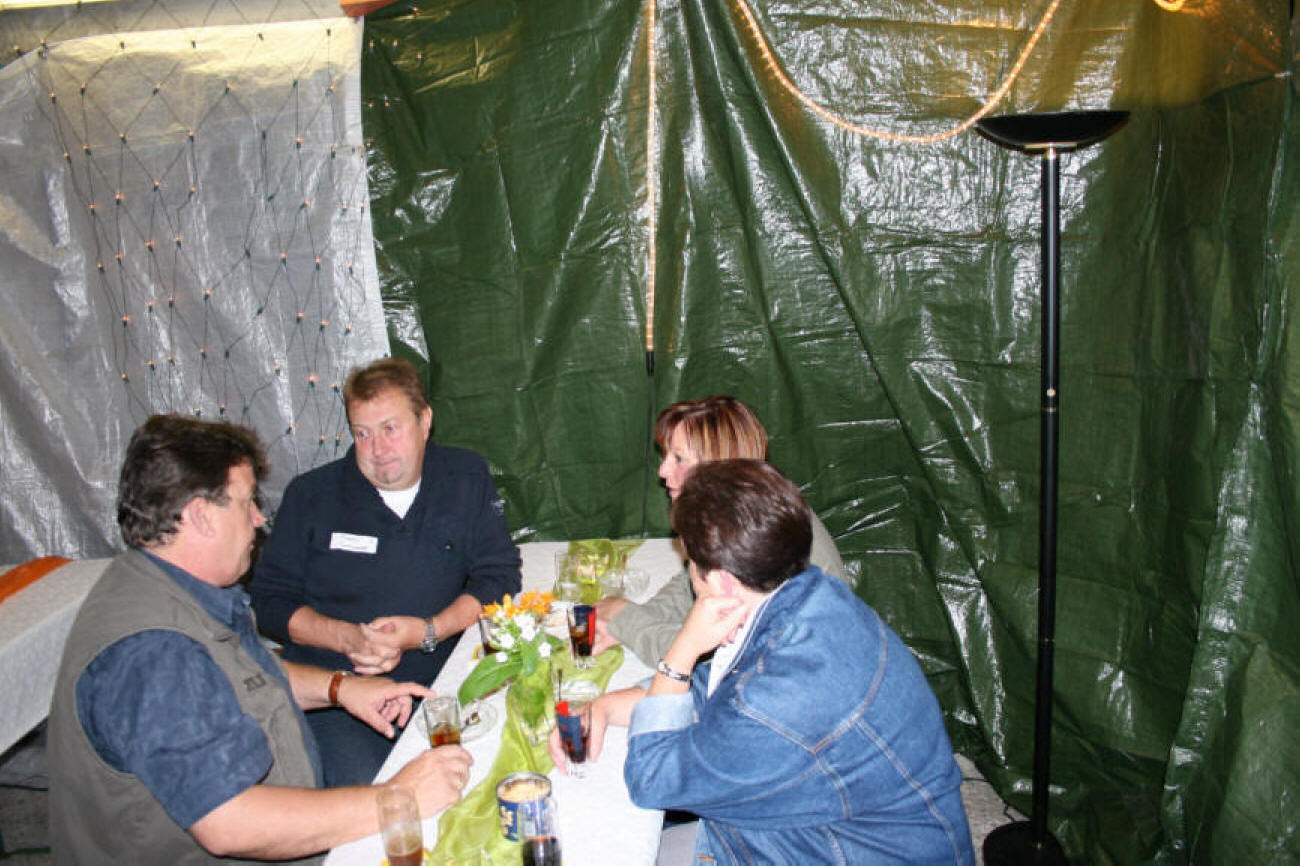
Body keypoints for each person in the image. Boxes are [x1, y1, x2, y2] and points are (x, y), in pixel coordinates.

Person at [47, 414, 473, 863]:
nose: (258, 519)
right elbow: (231, 822)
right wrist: (399, 796)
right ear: (201, 516)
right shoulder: (154, 653)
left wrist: (340, 687)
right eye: (247, 501)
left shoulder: (165, 584)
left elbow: (240, 675)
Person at [557, 459, 974, 864]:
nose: (689, 575)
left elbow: (652, 778)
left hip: (827, 851)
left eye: (691, 565)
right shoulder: (812, 595)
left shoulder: (776, 701)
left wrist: (682, 650)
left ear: (721, 583)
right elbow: (716, 685)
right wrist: (606, 706)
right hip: (825, 834)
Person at [250, 357, 521, 785]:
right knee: (378, 799)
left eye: (391, 428)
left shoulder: (464, 476)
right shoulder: (311, 496)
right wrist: (347, 638)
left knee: (501, 770)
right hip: (343, 693)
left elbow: (499, 576)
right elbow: (269, 603)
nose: (377, 450)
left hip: (444, 677)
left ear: (425, 421)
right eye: (363, 433)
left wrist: (430, 630)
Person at [596, 395, 847, 665]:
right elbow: (695, 583)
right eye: (666, 455)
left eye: (679, 458)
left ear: (719, 465)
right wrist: (642, 617)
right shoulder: (746, 509)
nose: (663, 470)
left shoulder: (758, 534)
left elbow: (709, 662)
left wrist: (628, 619)